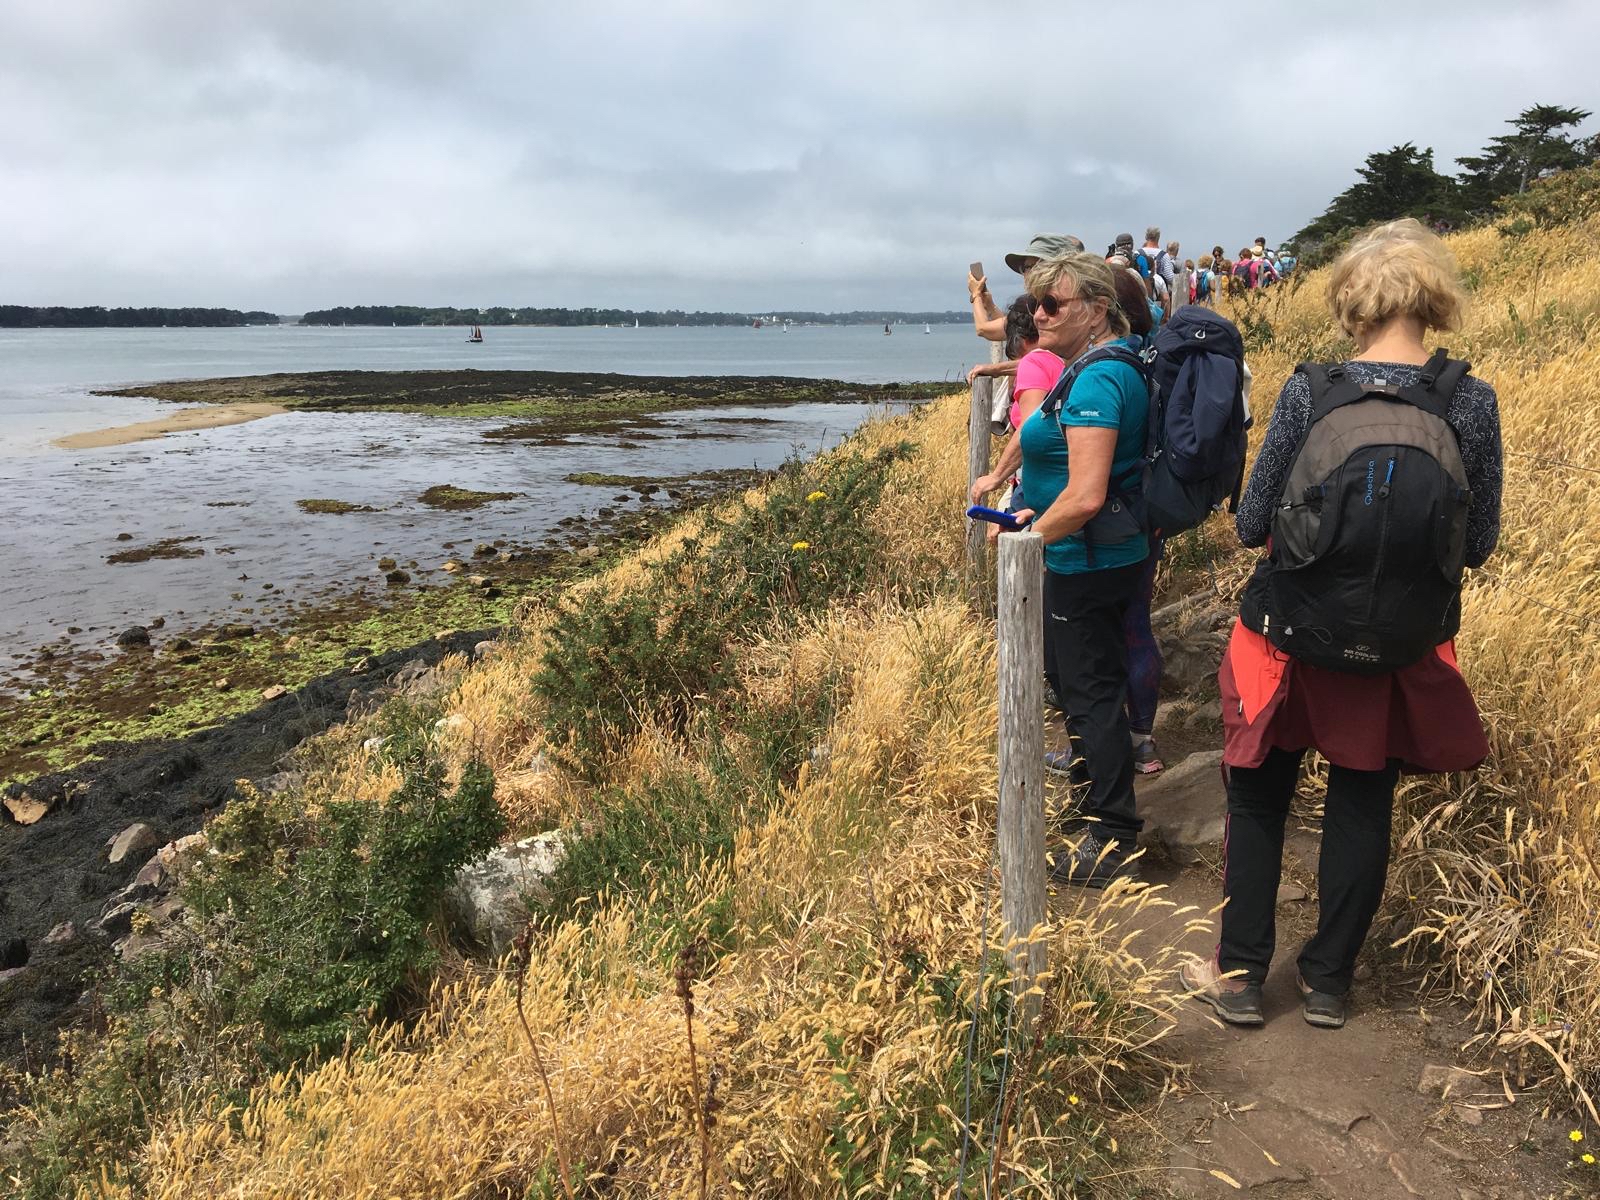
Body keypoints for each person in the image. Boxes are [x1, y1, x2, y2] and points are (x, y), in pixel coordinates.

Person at [1180, 218, 1504, 1027]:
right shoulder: (1470, 399)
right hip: (1397, 644)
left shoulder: (1312, 391)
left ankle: (1239, 976)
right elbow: (1478, 544)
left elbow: (1252, 523)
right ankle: (1328, 981)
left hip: (1286, 636)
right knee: (1363, 798)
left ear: (1353, 299)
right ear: (1436, 298)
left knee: (1258, 797)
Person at [972, 253, 1152, 887]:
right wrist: (1029, 507)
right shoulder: (1093, 367)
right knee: (1083, 686)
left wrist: (1029, 538)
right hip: (1092, 553)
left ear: (1097, 311)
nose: (1038, 315)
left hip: (1087, 559)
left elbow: (1086, 494)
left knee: (1091, 691)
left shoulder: (1099, 380)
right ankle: (1092, 805)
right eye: (1037, 303)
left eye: (1053, 304)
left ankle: (1112, 837)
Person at [969, 233, 1085, 342]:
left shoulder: (1038, 308)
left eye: (1029, 267)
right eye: (1025, 268)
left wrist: (976, 294)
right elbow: (1014, 329)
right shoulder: (1044, 305)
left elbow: (983, 329)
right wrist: (990, 305)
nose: (1025, 273)